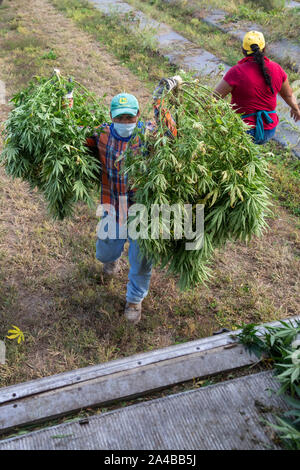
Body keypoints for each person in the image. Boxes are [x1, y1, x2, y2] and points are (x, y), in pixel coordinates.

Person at [85, 76, 182, 324]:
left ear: (138, 115)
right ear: (111, 116)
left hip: (144, 212)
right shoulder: (101, 134)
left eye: (129, 117)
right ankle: (111, 261)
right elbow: (76, 143)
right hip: (113, 207)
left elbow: (171, 133)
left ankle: (134, 300)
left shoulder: (147, 133)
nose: (124, 122)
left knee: (141, 261)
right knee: (105, 252)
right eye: (119, 118)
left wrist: (162, 99)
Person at [213, 31, 300, 144]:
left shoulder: (237, 72)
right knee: (254, 150)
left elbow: (214, 97)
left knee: (243, 153)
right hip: (268, 130)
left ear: (243, 50)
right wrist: (295, 108)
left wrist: (220, 118)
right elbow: (288, 94)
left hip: (243, 130)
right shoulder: (277, 69)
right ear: (264, 49)